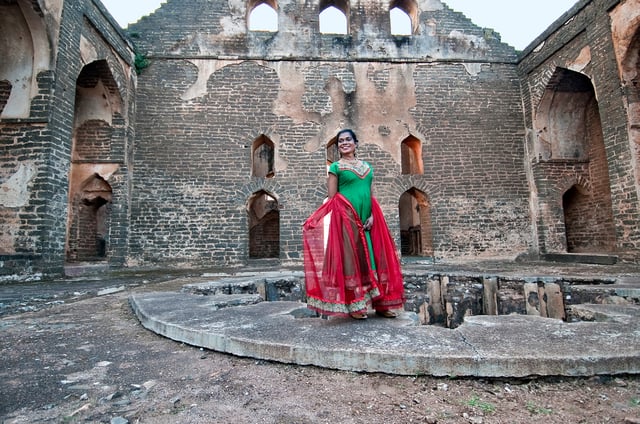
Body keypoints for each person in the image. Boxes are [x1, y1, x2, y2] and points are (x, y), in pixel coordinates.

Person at [303, 129, 405, 320]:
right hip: (347, 219)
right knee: (353, 260)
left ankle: (381, 303)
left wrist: (373, 216)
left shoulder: (367, 167)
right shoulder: (336, 167)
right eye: (340, 141)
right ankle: (356, 305)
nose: (344, 143)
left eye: (348, 139)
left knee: (376, 257)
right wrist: (314, 219)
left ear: (355, 143)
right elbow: (332, 198)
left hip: (369, 219)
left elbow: (371, 194)